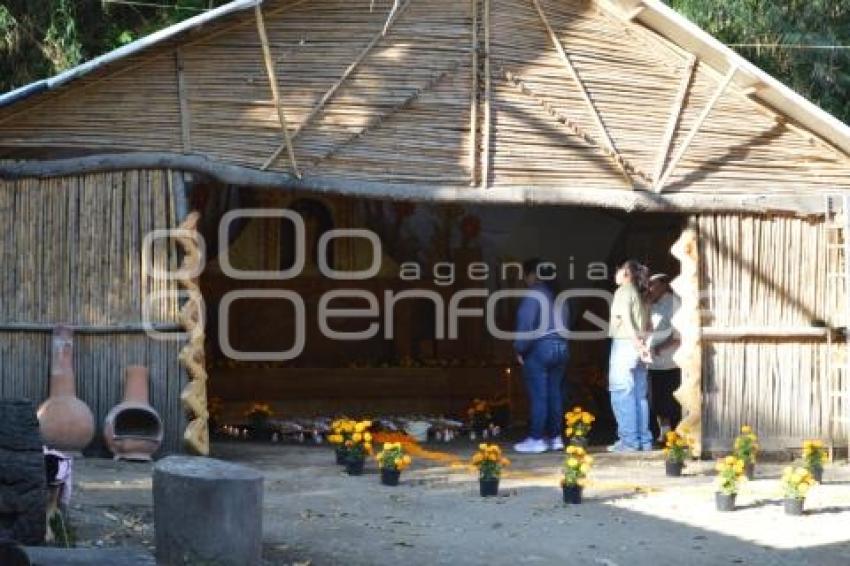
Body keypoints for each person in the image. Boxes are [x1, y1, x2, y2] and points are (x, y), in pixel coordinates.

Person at [513, 258, 570, 454]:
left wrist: (520, 349)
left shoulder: (535, 294)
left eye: (525, 276)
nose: (525, 280)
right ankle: (555, 437)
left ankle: (536, 438)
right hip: (561, 346)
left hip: (540, 348)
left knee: (539, 395)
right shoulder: (560, 295)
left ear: (533, 275)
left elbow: (526, 324)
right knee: (555, 394)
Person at [607, 260, 652, 452]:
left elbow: (625, 319)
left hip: (626, 343)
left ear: (626, 273)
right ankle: (643, 439)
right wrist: (643, 345)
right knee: (639, 395)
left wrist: (636, 343)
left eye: (618, 270)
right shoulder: (640, 294)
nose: (615, 273)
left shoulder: (623, 291)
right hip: (638, 344)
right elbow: (648, 324)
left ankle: (629, 441)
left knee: (621, 392)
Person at [645, 273, 682, 441]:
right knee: (657, 399)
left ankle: (676, 434)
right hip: (654, 362)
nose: (649, 288)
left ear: (663, 285)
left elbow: (679, 333)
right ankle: (664, 433)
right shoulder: (652, 304)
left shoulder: (674, 302)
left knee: (671, 399)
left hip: (670, 360)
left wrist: (661, 347)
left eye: (652, 285)